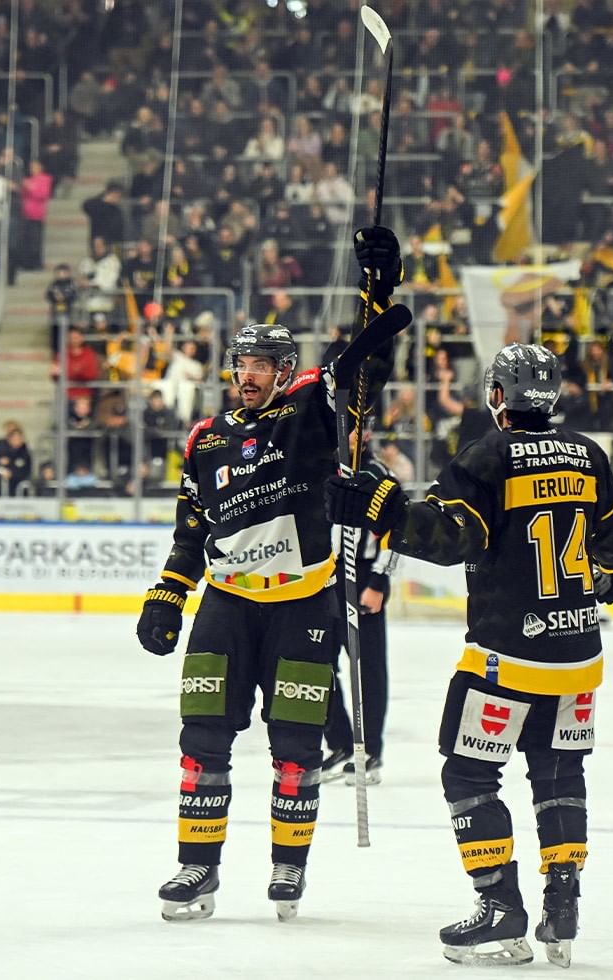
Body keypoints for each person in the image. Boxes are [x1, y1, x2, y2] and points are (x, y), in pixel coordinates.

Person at [325, 343, 613, 968]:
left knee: (467, 773)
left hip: (506, 656)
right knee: (559, 774)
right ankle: (562, 904)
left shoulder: (489, 456)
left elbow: (445, 537)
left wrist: (378, 505)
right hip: (578, 656)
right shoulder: (590, 454)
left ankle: (499, 907)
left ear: (499, 395)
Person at [135, 225, 403, 924]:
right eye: (241, 362)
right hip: (225, 605)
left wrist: (379, 291)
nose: (247, 373)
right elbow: (191, 530)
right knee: (201, 741)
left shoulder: (312, 412)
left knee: (295, 743)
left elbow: (365, 365)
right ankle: (197, 868)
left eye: (261, 364)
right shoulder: (205, 438)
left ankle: (288, 868)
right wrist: (166, 597)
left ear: (285, 372)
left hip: (301, 606)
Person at [321, 424, 398, 786]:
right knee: (316, 664)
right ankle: (339, 743)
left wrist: (379, 582)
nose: (349, 436)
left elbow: (397, 535)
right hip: (321, 578)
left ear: (366, 435)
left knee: (367, 669)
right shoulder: (318, 468)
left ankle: (371, 751)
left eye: (356, 429)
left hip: (362, 575)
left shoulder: (379, 476)